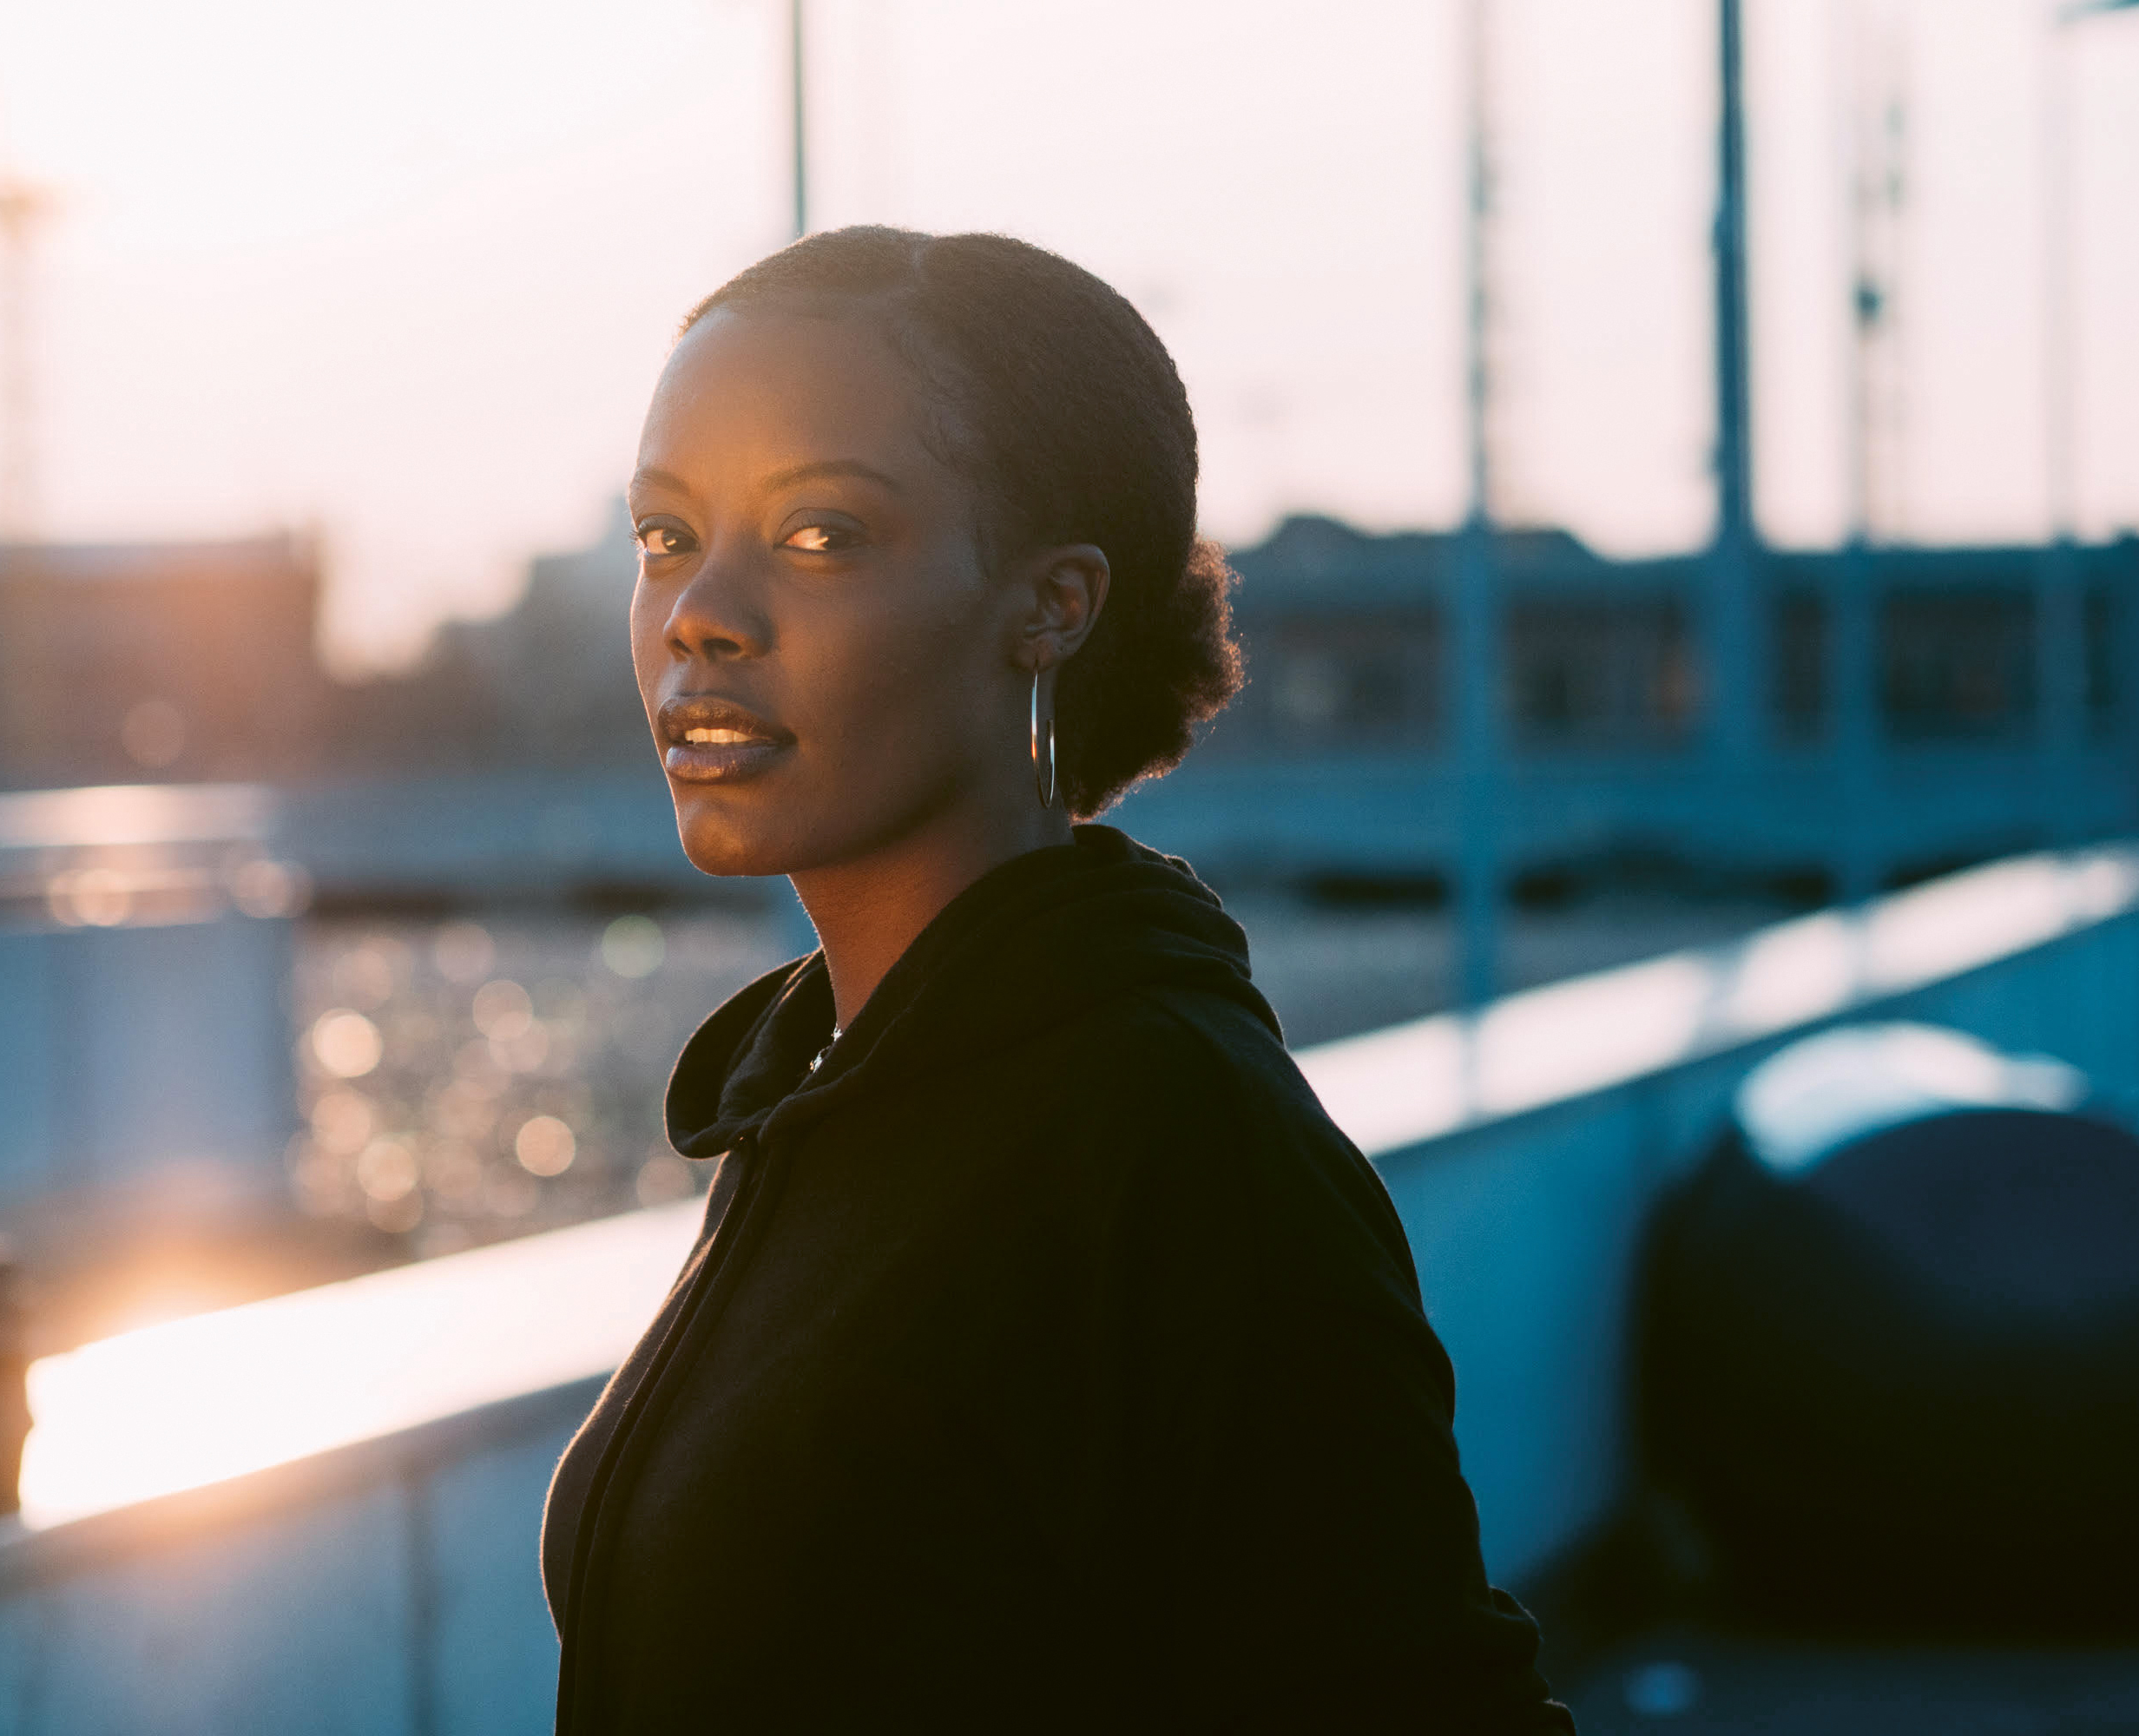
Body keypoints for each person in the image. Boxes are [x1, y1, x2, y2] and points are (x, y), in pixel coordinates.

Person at [543, 226, 1570, 1733]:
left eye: (821, 533)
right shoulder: (834, 1096)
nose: (702, 612)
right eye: (664, 535)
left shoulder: (1170, 1137)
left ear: (1052, 604)